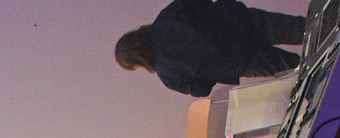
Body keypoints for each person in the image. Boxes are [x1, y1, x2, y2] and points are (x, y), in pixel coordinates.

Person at [115, 0, 308, 98]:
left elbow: (201, 90)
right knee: (304, 28)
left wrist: (210, 69)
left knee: (298, 68)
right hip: (242, 22)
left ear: (138, 63)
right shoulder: (166, 19)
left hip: (241, 62)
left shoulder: (168, 74)